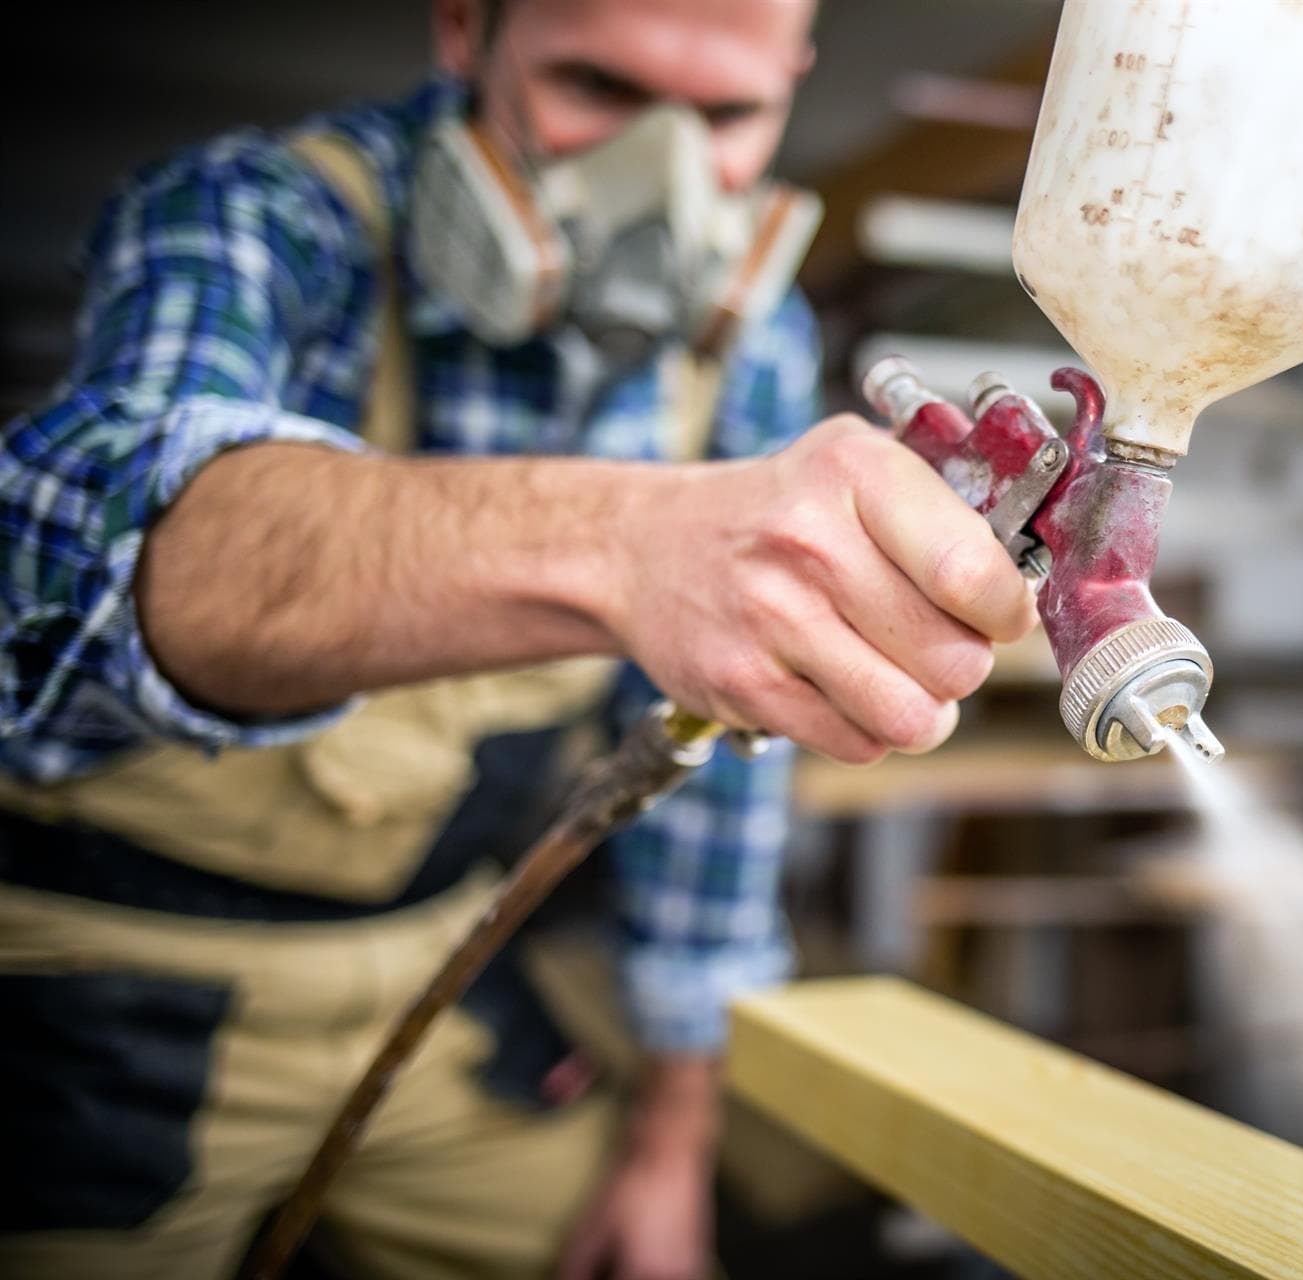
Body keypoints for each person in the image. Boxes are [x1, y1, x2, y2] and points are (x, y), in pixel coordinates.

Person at [0, 1, 1036, 1277]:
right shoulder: (263, 213)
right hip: (104, 969)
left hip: (438, 955)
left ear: (792, 80)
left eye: (728, 116)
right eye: (597, 84)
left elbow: (718, 799)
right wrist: (622, 542)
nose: (666, 168)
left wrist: (671, 1142)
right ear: (461, 33)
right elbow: (63, 539)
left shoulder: (750, 339)